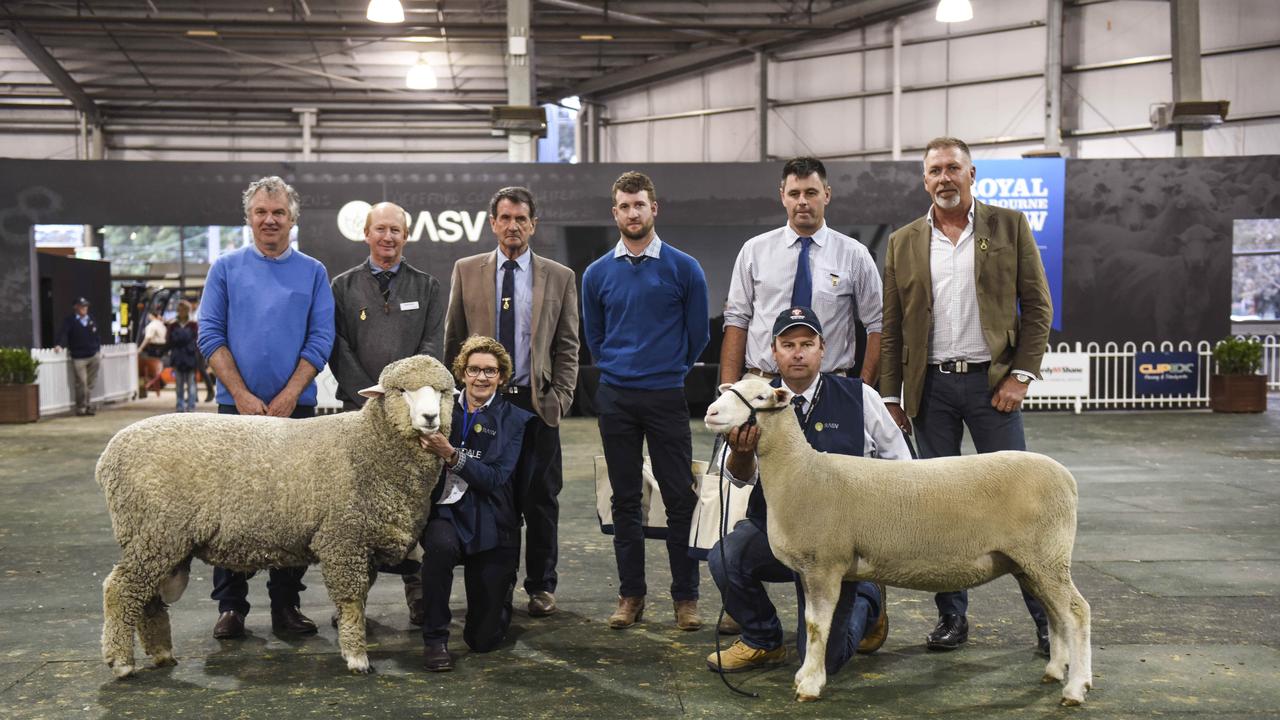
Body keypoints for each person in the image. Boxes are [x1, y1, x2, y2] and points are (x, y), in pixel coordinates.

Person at [880, 136, 1054, 656]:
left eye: (953, 168)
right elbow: (891, 329)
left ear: (972, 174)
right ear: (924, 179)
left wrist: (1020, 376)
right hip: (929, 391)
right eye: (934, 170)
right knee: (938, 512)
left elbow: (1037, 308)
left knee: (1021, 506)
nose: (944, 178)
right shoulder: (904, 240)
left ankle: (1047, 621)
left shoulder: (1009, 226)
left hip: (992, 387)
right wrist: (891, 397)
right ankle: (951, 619)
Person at [705, 306, 910, 674]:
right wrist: (741, 452)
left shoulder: (859, 396)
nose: (797, 352)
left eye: (806, 343)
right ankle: (762, 640)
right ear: (774, 352)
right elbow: (735, 478)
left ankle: (868, 601)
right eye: (788, 344)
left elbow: (902, 465)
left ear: (822, 349)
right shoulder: (751, 399)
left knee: (827, 660)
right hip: (778, 531)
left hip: (844, 545)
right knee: (725, 556)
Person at [196, 175, 335, 641]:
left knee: (294, 512)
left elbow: (321, 339)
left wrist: (291, 393)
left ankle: (286, 604)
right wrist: (241, 394)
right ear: (249, 217)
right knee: (230, 509)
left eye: (278, 212)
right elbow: (209, 335)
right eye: (261, 212)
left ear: (292, 219)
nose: (270, 219)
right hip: (237, 415)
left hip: (295, 416)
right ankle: (231, 607)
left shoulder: (313, 272)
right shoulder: (225, 269)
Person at [581, 171, 710, 631]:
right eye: (624, 206)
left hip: (666, 396)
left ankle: (686, 598)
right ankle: (630, 596)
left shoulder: (684, 268)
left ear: (654, 209)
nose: (632, 213)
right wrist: (621, 368)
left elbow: (699, 336)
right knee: (625, 501)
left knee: (679, 499)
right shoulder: (597, 274)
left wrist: (668, 369)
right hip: (616, 397)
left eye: (640, 205)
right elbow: (595, 337)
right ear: (614, 212)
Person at [444, 186, 580, 619]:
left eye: (521, 219)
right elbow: (454, 341)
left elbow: (569, 346)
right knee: (493, 498)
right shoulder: (466, 270)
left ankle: (541, 586)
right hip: (486, 406)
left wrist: (558, 399)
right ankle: (496, 586)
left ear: (533, 224)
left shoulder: (559, 276)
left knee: (540, 499)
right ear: (493, 223)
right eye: (505, 218)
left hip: (536, 406)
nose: (513, 226)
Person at [329, 200, 444, 624]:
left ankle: (418, 593)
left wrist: (403, 402)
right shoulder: (342, 286)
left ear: (406, 236)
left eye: (396, 230)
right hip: (360, 415)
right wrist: (372, 399)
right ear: (367, 234)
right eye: (380, 229)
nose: (388, 237)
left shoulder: (428, 286)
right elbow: (336, 347)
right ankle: (354, 603)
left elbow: (432, 348)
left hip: (415, 421)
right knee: (358, 509)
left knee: (414, 507)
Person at [418, 335, 533, 672]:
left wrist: (451, 455)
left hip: (493, 517)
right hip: (448, 512)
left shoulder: (515, 419)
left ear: (502, 376)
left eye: (490, 371)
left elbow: (495, 478)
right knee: (438, 549)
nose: (481, 378)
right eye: (474, 370)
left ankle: (501, 594)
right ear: (462, 373)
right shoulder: (440, 410)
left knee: (483, 641)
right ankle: (435, 638)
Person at [721, 156, 883, 387]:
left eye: (811, 193)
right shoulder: (754, 251)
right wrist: (729, 390)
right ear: (782, 196)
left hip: (830, 385)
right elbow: (737, 320)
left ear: (827, 194)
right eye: (794, 194)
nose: (803, 201)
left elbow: (877, 324)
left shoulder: (854, 255)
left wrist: (862, 390)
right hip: (762, 385)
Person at [54, 297, 102, 416]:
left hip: (93, 354)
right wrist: (59, 344)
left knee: (90, 383)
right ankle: (81, 407)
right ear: (76, 307)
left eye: (86, 306)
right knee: (82, 382)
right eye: (82, 306)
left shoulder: (90, 320)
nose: (84, 308)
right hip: (79, 356)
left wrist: (97, 349)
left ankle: (87, 406)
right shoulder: (70, 321)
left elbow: (96, 335)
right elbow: (63, 333)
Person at [166, 299, 199, 413]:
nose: (181, 312)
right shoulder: (173, 325)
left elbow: (195, 341)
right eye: (180, 309)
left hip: (190, 357)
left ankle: (191, 406)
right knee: (179, 384)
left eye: (184, 309)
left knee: (191, 384)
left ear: (188, 311)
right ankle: (179, 406)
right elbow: (170, 340)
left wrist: (181, 339)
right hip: (178, 358)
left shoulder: (193, 324)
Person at [138, 311, 168, 394]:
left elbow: (148, 338)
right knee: (159, 366)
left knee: (153, 367)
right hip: (163, 347)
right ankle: (160, 383)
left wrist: (140, 348)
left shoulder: (152, 325)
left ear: (151, 316)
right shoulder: (162, 325)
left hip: (154, 347)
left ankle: (158, 383)